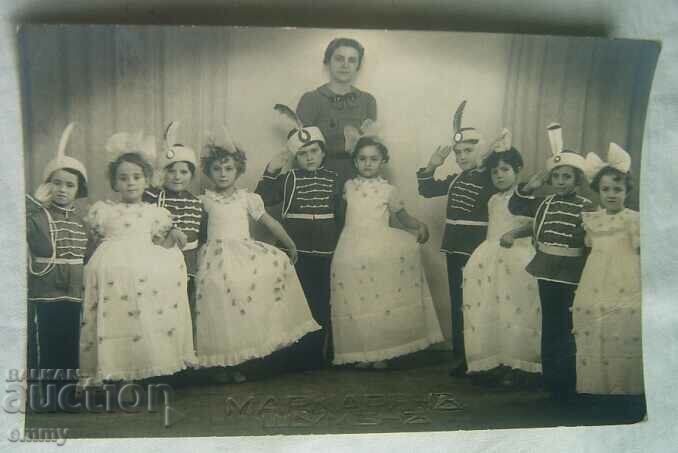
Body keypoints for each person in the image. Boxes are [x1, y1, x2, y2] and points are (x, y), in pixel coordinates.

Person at [195, 138, 320, 383]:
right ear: (208, 171)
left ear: (238, 170)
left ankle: (243, 361)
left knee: (244, 301)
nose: (223, 174)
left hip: (242, 252)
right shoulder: (205, 200)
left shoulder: (247, 199)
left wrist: (289, 243)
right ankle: (222, 364)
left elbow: (270, 222)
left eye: (228, 168)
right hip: (215, 258)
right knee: (218, 304)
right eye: (217, 169)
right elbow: (194, 232)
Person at [79, 131, 196, 390]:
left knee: (142, 319)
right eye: (123, 178)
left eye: (136, 177)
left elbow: (166, 239)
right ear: (114, 182)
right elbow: (94, 242)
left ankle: (140, 370)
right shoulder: (104, 211)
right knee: (116, 318)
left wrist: (175, 232)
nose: (130, 183)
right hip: (112, 271)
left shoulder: (155, 213)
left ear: (147, 180)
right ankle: (115, 372)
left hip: (143, 271)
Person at [508, 123, 595, 403]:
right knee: (550, 326)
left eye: (567, 176)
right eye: (556, 176)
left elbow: (592, 240)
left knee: (568, 328)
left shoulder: (586, 206)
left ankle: (569, 381)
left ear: (577, 179)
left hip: (572, 273)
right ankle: (551, 380)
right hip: (546, 269)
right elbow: (516, 207)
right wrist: (531, 186)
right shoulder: (544, 203)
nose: (560, 181)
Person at [256, 106, 343, 371]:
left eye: (314, 151)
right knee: (293, 302)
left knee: (320, 301)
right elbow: (261, 200)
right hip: (294, 251)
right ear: (295, 157)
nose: (309, 158)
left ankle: (317, 355)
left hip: (326, 251)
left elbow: (342, 217)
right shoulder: (288, 179)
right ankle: (291, 356)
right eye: (302, 154)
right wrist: (271, 171)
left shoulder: (335, 179)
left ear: (323, 152)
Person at [416, 101, 497, 376]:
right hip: (454, 247)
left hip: (480, 247)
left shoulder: (491, 178)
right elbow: (426, 190)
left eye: (468, 150)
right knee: (460, 302)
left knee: (481, 302)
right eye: (458, 152)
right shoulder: (455, 179)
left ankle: (483, 357)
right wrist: (432, 165)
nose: (461, 156)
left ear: (482, 150)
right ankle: (463, 357)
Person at [461, 130, 541, 387]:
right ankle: (494, 359)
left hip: (517, 259)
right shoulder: (493, 199)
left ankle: (520, 364)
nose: (499, 175)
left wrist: (527, 191)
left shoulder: (524, 196)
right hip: (490, 258)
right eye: (495, 171)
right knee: (490, 307)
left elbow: (532, 225)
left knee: (517, 310)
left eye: (505, 169)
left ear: (517, 171)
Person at [26, 122, 91, 410]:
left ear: (78, 190)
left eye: (69, 185)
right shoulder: (37, 215)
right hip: (46, 287)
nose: (62, 190)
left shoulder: (81, 220)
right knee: (47, 342)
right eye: (56, 182)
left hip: (74, 287)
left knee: (70, 341)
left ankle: (67, 395)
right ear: (46, 185)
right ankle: (47, 397)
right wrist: (33, 203)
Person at [573, 143, 643, 396]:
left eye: (617, 189)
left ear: (627, 191)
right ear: (597, 192)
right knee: (597, 326)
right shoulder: (592, 220)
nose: (611, 194)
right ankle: (597, 387)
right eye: (605, 190)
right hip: (595, 280)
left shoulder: (634, 220)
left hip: (625, 279)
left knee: (623, 327)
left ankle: (626, 387)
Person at [144, 121, 207, 340]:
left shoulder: (197, 202)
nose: (177, 176)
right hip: (159, 259)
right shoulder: (154, 196)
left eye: (183, 171)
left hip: (188, 262)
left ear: (191, 175)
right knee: (161, 307)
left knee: (185, 307)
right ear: (163, 173)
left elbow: (202, 236)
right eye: (171, 171)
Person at [296, 37, 377, 186]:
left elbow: (372, 148)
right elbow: (302, 150)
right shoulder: (311, 99)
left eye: (352, 60)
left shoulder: (368, 101)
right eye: (339, 58)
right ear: (327, 62)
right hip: (319, 178)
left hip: (358, 180)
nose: (345, 65)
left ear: (358, 66)